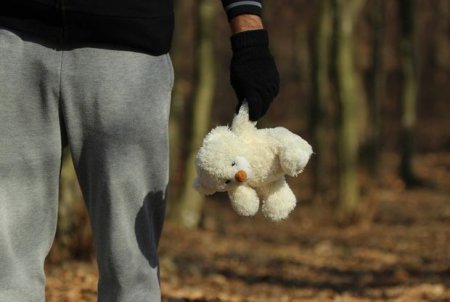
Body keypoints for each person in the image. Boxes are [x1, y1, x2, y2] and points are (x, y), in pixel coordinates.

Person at [0, 0, 279, 301]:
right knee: (5, 267)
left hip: (130, 46)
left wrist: (248, 32)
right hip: (11, 37)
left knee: (130, 266)